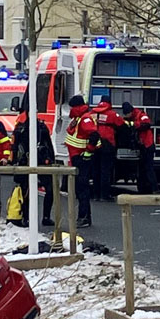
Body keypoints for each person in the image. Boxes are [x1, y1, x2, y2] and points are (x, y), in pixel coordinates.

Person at [12, 102, 55, 227]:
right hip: (26, 162)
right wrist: (13, 161)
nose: (34, 114)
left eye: (36, 112)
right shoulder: (21, 128)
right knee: (26, 191)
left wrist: (51, 159)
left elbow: (49, 144)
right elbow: (14, 146)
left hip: (42, 161)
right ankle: (26, 217)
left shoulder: (42, 127)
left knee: (50, 190)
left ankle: (46, 217)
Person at [64, 95, 99, 227]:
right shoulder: (79, 119)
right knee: (80, 189)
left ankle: (84, 217)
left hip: (81, 158)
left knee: (82, 189)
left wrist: (88, 152)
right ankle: (83, 217)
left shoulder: (85, 119)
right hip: (78, 157)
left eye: (72, 107)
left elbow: (94, 135)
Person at [89, 96, 124, 201]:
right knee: (106, 170)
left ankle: (95, 195)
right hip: (107, 144)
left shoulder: (92, 113)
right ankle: (105, 195)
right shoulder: (112, 114)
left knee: (96, 170)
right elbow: (122, 126)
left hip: (94, 144)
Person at [122, 101, 156, 194]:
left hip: (147, 145)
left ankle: (154, 188)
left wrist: (134, 125)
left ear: (130, 111)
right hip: (142, 146)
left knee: (149, 168)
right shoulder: (133, 117)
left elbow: (147, 124)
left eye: (127, 113)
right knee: (142, 169)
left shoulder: (141, 115)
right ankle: (145, 187)